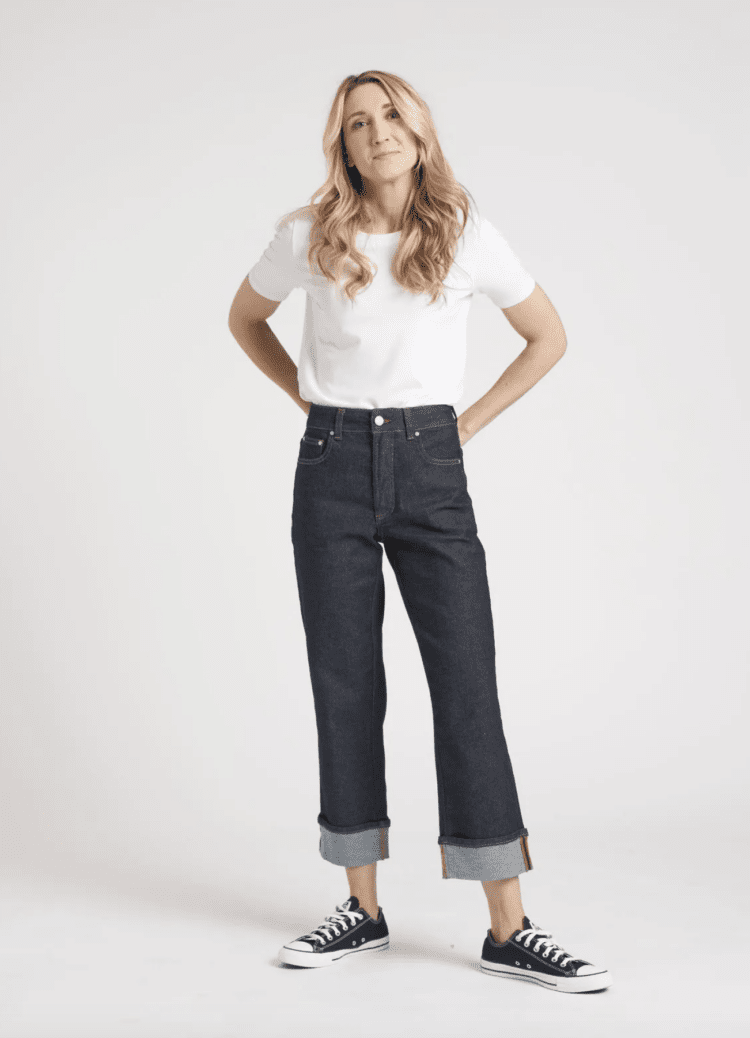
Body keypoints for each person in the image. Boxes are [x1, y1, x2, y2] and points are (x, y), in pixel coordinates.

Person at [228, 70, 612, 993]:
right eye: (359, 123)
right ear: (345, 147)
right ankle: (360, 910)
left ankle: (508, 926)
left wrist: (463, 426)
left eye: (391, 114)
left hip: (431, 467)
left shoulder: (468, 235)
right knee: (346, 683)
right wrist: (307, 398)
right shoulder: (308, 237)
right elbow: (245, 318)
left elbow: (547, 336)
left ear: (419, 130)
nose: (378, 132)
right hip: (330, 473)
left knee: (465, 683)